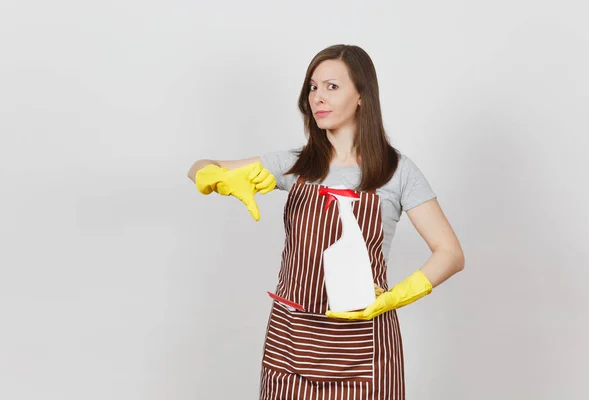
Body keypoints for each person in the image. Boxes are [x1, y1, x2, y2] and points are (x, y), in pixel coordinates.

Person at [187, 44, 465, 400]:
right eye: (313, 87)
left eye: (332, 86)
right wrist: (214, 176)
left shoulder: (396, 172)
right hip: (290, 346)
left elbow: (450, 253)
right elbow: (198, 164)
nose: (318, 97)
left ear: (362, 95)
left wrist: (397, 296)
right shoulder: (296, 164)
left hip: (364, 353)